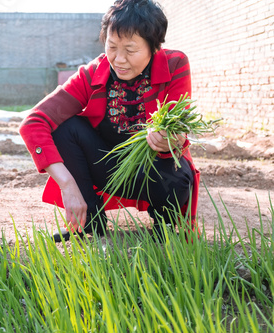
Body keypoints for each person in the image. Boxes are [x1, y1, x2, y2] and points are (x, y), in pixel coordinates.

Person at [19, 0, 200, 242]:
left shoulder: (175, 64)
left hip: (154, 172)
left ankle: (165, 227)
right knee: (66, 128)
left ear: (153, 47)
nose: (119, 59)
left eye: (131, 50)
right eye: (112, 46)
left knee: (178, 172)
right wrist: (67, 185)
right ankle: (90, 223)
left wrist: (170, 140)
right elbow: (33, 122)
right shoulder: (93, 73)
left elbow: (179, 127)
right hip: (108, 169)